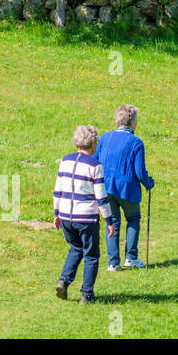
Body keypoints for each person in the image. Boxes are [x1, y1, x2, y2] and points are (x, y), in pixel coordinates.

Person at [53, 125, 115, 304]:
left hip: (66, 215)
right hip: (86, 217)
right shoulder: (95, 166)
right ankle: (86, 294)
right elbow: (101, 196)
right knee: (91, 255)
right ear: (93, 142)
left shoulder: (65, 161)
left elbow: (58, 190)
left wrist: (56, 213)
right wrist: (109, 220)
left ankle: (64, 281)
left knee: (75, 248)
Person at [95, 105, 155, 272]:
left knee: (112, 222)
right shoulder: (136, 142)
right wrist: (149, 183)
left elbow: (95, 160)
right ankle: (131, 257)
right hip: (127, 188)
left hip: (106, 188)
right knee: (133, 218)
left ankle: (113, 263)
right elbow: (139, 171)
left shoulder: (105, 137)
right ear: (132, 122)